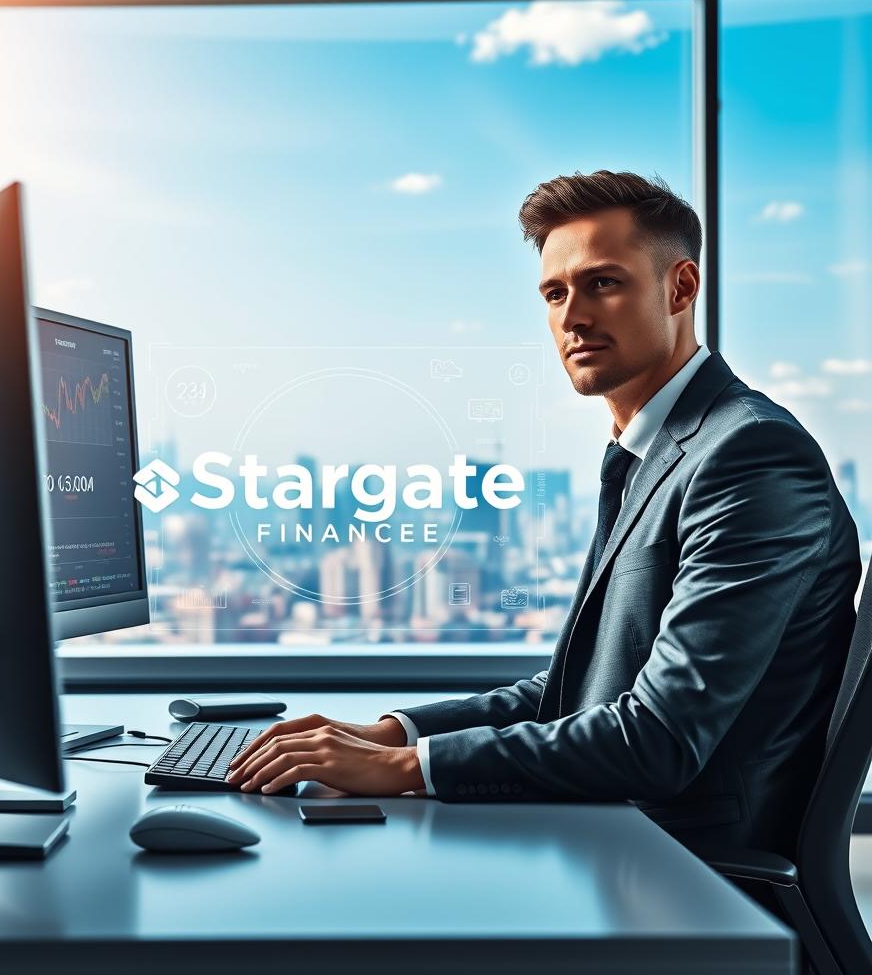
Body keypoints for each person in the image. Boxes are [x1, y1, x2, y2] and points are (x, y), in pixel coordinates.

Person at [228, 169, 861, 857]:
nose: (572, 317)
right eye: (555, 293)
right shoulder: (654, 452)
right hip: (615, 840)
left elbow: (660, 739)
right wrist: (398, 733)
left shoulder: (750, 454)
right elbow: (580, 689)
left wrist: (407, 771)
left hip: (689, 877)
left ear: (681, 288)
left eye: (603, 283)